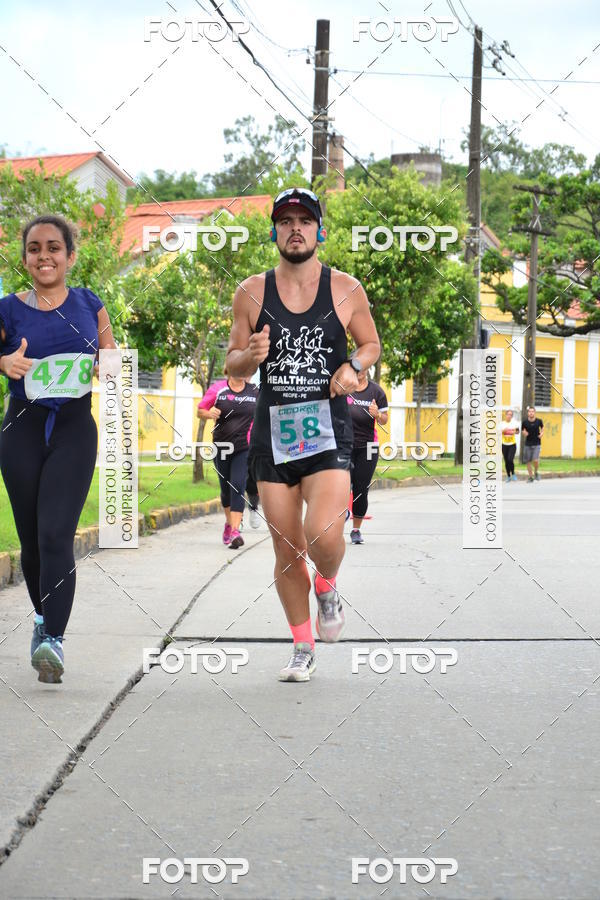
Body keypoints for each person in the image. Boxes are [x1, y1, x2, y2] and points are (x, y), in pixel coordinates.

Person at [225, 187, 380, 682]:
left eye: (305, 220)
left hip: (328, 436)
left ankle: (328, 583)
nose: (296, 228)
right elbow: (233, 359)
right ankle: (301, 646)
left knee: (323, 536)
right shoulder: (251, 291)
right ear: (274, 231)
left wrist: (354, 366)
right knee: (287, 548)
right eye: (286, 220)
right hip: (273, 438)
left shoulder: (347, 289)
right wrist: (250, 357)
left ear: (320, 230)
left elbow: (371, 343)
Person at [0, 215, 116, 683]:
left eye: (53, 247)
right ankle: (44, 620)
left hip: (73, 427)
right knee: (31, 541)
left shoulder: (91, 303)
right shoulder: (7, 308)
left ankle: (54, 641)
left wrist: (105, 365)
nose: (43, 256)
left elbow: (110, 355)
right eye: (34, 248)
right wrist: (4, 360)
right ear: (25, 257)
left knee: (54, 535)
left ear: (70, 255)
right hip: (21, 429)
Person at [197, 367, 259, 548]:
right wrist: (209, 413)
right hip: (221, 447)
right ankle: (229, 523)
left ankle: (235, 531)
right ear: (229, 370)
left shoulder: (254, 391)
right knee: (225, 490)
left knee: (237, 486)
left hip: (244, 448)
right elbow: (200, 410)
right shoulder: (218, 389)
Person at [347, 371, 388, 543]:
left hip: (370, 446)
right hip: (344, 444)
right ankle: (342, 511)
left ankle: (356, 529)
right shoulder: (344, 388)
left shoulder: (377, 392)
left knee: (361, 488)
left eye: (363, 367)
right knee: (339, 485)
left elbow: (384, 420)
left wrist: (377, 414)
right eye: (356, 367)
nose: (359, 371)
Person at [521, 406, 544, 482]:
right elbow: (522, 430)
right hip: (528, 444)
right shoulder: (525, 422)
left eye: (532, 411)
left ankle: (536, 472)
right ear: (528, 413)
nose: (531, 413)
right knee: (528, 461)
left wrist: (542, 433)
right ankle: (531, 477)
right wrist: (524, 433)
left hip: (537, 443)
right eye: (529, 411)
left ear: (534, 412)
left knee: (535, 460)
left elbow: (542, 428)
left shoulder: (539, 421)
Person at [501, 409, 519, 482]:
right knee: (506, 461)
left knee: (510, 459)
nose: (509, 416)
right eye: (508, 414)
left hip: (512, 444)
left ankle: (513, 473)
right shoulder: (502, 424)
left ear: (512, 416)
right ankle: (508, 476)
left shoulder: (514, 423)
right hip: (504, 445)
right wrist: (504, 430)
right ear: (506, 415)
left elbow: (518, 432)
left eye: (511, 415)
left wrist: (513, 431)